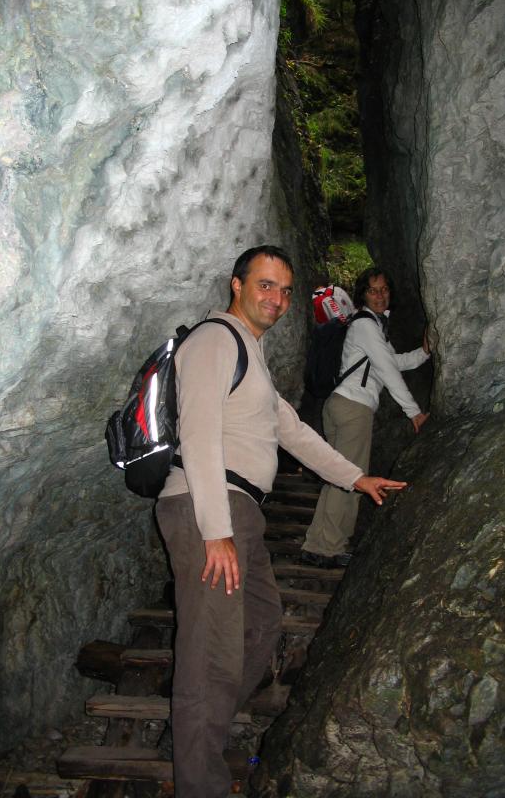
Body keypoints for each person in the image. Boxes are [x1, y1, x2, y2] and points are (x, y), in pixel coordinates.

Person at [154, 246, 407, 798]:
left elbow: (292, 431)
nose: (277, 298)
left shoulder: (251, 352)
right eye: (265, 285)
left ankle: (194, 731)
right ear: (236, 285)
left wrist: (355, 478)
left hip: (241, 510)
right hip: (208, 507)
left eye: (286, 290)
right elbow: (198, 433)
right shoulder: (214, 340)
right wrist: (215, 531)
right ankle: (200, 779)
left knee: (262, 624)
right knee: (212, 654)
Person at [301, 267, 430, 569]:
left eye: (384, 289)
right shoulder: (365, 325)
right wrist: (414, 412)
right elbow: (387, 370)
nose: (380, 295)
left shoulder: (371, 326)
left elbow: (393, 361)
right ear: (363, 295)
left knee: (339, 477)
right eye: (373, 290)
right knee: (351, 479)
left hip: (341, 405)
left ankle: (319, 545)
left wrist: (424, 353)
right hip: (353, 408)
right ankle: (327, 548)